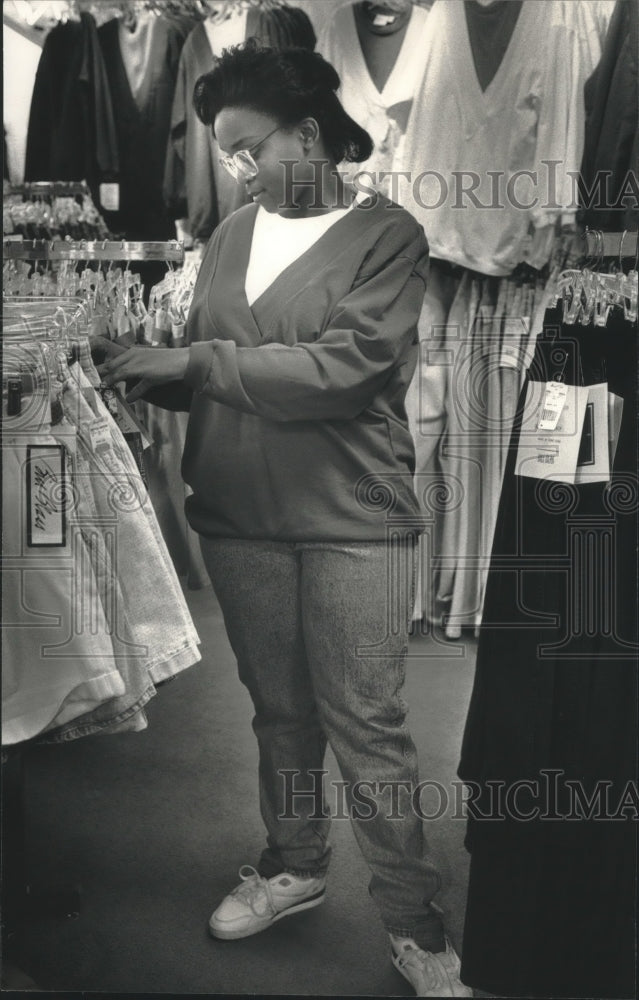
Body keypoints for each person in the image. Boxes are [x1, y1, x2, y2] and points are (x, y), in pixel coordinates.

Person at [98, 40, 471, 999]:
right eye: (224, 153)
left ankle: (414, 923)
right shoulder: (229, 237)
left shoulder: (388, 236)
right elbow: (215, 372)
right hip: (239, 516)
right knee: (280, 714)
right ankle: (294, 866)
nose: (237, 168)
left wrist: (191, 366)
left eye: (248, 147)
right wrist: (135, 365)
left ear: (309, 133)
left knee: (368, 723)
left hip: (356, 518)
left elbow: (344, 372)